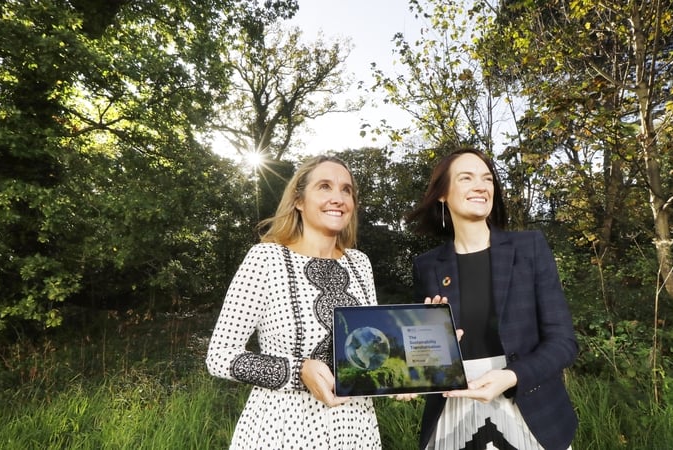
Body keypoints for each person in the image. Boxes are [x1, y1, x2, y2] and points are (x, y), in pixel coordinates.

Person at [406, 148, 578, 450]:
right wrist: (419, 363)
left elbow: (563, 343)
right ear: (443, 193)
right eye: (466, 178)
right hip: (454, 412)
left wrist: (512, 376)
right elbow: (429, 358)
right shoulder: (427, 266)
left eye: (487, 178)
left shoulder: (530, 248)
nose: (481, 185)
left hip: (528, 408)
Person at [206, 155, 381, 449]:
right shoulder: (266, 258)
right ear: (298, 201)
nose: (338, 198)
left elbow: (372, 350)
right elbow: (220, 356)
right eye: (324, 187)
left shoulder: (360, 264)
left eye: (346, 190)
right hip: (284, 428)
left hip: (356, 428)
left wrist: (421, 351)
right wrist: (298, 371)